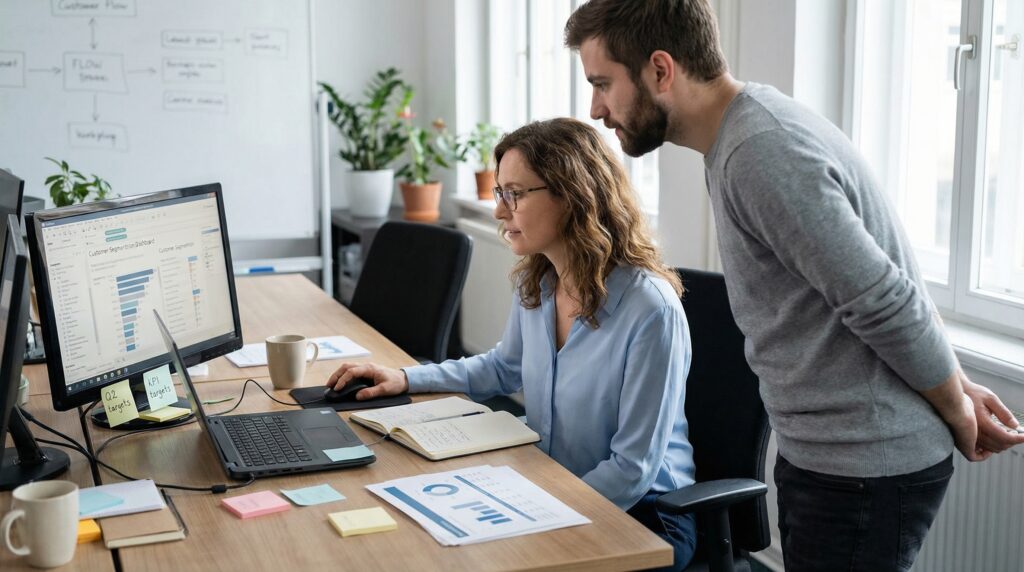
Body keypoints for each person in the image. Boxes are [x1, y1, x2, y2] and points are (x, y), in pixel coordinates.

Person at [564, 1, 1024, 570]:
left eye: (603, 84)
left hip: (862, 466)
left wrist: (956, 405)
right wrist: (953, 383)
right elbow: (872, 275)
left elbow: (882, 298)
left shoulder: (759, 149)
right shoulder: (745, 132)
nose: (595, 108)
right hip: (836, 457)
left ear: (661, 70)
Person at [328, 117, 697, 570]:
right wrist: (404, 377)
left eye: (514, 194)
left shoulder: (649, 309)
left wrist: (529, 512)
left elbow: (632, 469)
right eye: (500, 192)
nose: (500, 211)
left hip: (645, 516)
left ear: (573, 195)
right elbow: (502, 368)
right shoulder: (541, 281)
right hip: (553, 484)